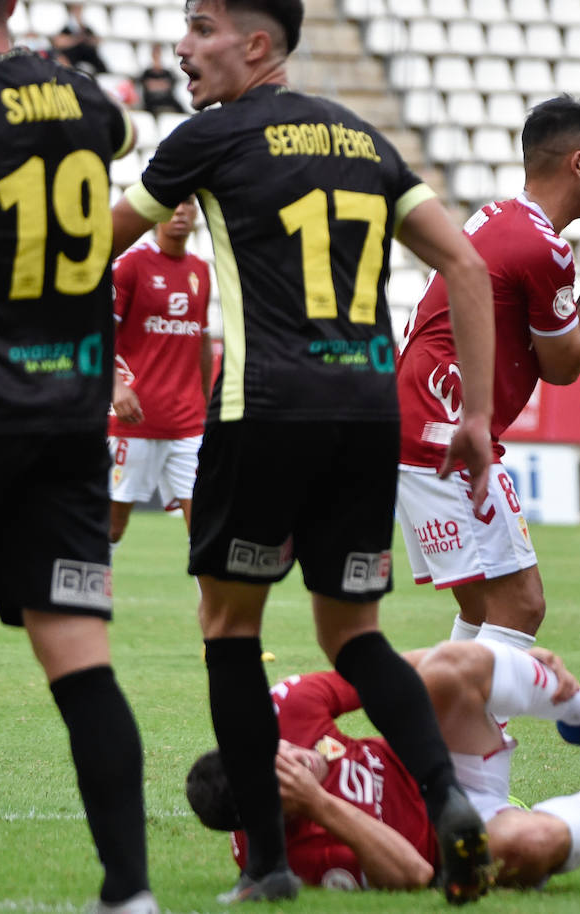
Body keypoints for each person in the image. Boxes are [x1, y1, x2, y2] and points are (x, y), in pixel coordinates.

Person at [108, 0, 498, 904]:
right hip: (367, 415)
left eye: (201, 28)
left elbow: (98, 243)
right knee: (354, 633)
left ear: (256, 45)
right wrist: (475, 416)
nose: (182, 46)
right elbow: (468, 267)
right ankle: (447, 801)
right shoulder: (365, 143)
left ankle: (268, 866)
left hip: (264, 410)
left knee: (231, 630)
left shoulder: (208, 137)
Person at [0, 2, 154, 913]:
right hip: (66, 422)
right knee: (82, 665)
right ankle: (130, 894)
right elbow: (127, 132)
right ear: (13, 5)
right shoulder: (89, 105)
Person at [395, 95, 580, 650]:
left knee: (484, 604)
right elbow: (563, 365)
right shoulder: (543, 248)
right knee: (522, 605)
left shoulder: (495, 216)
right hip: (448, 428)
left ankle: (451, 726)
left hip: (417, 420)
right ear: (578, 162)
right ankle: (464, 731)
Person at [185, 640, 580, 890]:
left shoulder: (286, 709)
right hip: (459, 838)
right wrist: (320, 803)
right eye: (287, 777)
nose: (298, 758)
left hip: (434, 758)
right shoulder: (291, 858)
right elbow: (415, 874)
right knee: (538, 846)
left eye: (280, 753)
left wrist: (517, 664)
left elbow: (396, 670)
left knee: (449, 665)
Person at [109, 197, 212, 546]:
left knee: (204, 530)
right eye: (173, 204)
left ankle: (211, 604)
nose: (181, 210)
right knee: (111, 529)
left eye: (188, 204)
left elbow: (201, 340)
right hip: (132, 419)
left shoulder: (200, 269)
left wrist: (208, 404)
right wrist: (116, 387)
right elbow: (98, 330)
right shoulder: (130, 266)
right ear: (156, 212)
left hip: (187, 423)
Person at [50, 2, 107, 74]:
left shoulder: (86, 29)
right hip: (72, 59)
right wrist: (76, 39)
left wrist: (86, 38)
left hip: (87, 59)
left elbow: (97, 41)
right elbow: (58, 42)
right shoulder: (66, 29)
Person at [138, 44, 186, 115]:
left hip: (168, 103)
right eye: (155, 54)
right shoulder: (146, 74)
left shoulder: (168, 74)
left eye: (158, 54)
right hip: (151, 105)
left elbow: (172, 88)